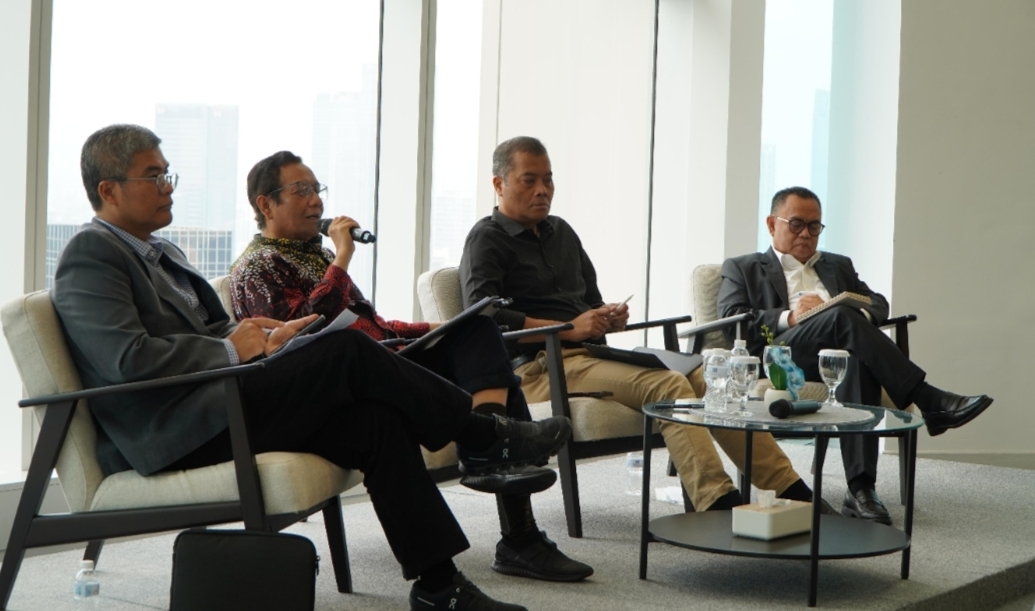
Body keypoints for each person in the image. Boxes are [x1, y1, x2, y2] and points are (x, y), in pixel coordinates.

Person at [52, 124, 575, 611]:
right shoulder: (90, 254)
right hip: (177, 426)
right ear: (109, 190)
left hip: (222, 399)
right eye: (154, 176)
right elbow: (126, 359)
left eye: (168, 174)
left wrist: (260, 336)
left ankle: (440, 588)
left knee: (377, 422)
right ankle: (482, 435)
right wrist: (231, 349)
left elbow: (206, 334)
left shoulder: (161, 252)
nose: (168, 187)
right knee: (345, 349)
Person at [227, 150, 593, 582]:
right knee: (465, 360)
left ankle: (500, 475)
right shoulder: (256, 267)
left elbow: (373, 325)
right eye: (301, 190)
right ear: (265, 204)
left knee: (479, 330)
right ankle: (503, 486)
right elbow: (302, 340)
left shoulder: (314, 255)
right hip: (342, 385)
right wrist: (342, 258)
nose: (317, 201)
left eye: (317, 189)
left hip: (380, 359)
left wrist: (439, 328)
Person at [459, 136, 827, 514]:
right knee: (668, 384)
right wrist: (569, 328)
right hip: (538, 366)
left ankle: (789, 489)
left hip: (590, 355)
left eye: (548, 179)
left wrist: (606, 317)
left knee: (711, 379)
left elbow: (589, 302)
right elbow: (482, 319)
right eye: (529, 180)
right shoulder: (486, 239)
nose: (543, 190)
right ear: (499, 184)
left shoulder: (562, 233)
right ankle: (717, 502)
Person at [718, 186, 994, 525]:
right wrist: (792, 316)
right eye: (796, 224)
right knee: (838, 316)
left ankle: (861, 489)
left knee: (855, 358)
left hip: (834, 356)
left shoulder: (837, 265)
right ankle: (927, 398)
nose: (806, 233)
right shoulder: (742, 267)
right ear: (772, 224)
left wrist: (849, 315)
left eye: (814, 226)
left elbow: (877, 303)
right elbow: (732, 319)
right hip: (781, 356)